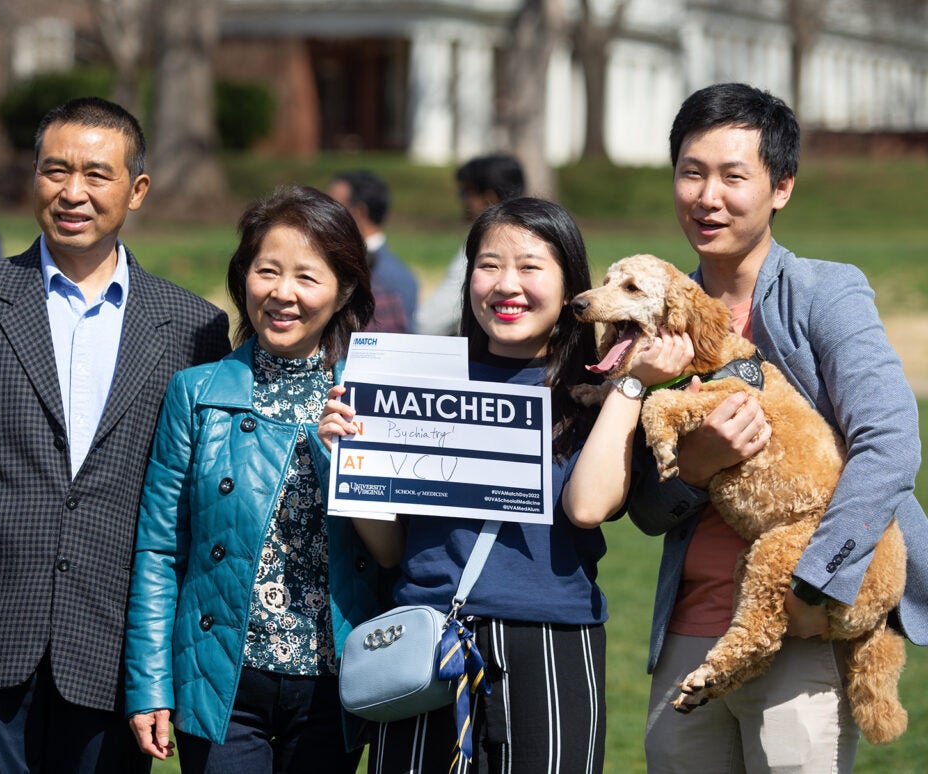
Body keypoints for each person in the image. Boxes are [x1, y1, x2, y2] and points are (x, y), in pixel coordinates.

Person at [0, 97, 230, 773]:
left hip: (114, 637)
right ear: (33, 178)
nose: (72, 192)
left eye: (96, 174)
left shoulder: (191, 327)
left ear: (137, 189)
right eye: (55, 171)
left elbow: (191, 487)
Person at [320, 197, 692, 773]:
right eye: (489, 265)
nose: (506, 284)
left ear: (571, 283)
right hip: (428, 642)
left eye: (530, 266)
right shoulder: (416, 378)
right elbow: (394, 549)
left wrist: (631, 385)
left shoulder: (602, 395)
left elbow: (589, 505)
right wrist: (352, 462)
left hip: (552, 643)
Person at [628, 82, 928, 773]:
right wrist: (695, 469)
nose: (708, 197)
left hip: (804, 633)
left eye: (734, 176)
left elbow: (890, 443)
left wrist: (812, 585)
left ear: (780, 187)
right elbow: (642, 510)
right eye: (692, 172)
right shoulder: (657, 309)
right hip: (689, 632)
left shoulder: (825, 293)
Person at [124, 186, 383, 773]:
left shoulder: (369, 397)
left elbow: (394, 549)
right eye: (267, 271)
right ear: (244, 278)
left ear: (344, 291)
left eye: (307, 278)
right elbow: (161, 549)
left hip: (334, 684)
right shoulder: (196, 393)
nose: (282, 294)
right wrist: (150, 684)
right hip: (221, 677)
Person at [414, 153, 525, 336]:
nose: (462, 200)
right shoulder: (540, 242)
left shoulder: (483, 248)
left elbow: (428, 322)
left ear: (489, 199)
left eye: (465, 192)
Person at [329, 169, 419, 333]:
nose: (324, 216)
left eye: (333, 208)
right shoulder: (397, 272)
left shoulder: (389, 276)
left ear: (359, 212)